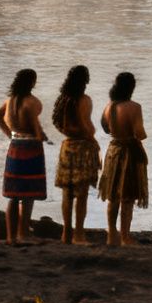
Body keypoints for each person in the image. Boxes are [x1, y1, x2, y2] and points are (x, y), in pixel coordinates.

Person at [0, 68, 47, 246]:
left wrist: (10, 134)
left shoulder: (10, 101)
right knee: (28, 194)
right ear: (32, 82)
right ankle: (24, 235)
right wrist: (42, 137)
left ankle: (10, 236)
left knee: (14, 194)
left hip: (14, 146)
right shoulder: (32, 102)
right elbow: (36, 127)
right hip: (31, 148)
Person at [97, 71, 149, 246]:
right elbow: (139, 133)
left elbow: (105, 128)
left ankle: (111, 234)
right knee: (128, 197)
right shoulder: (134, 107)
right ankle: (125, 236)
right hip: (129, 152)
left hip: (113, 151)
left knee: (113, 195)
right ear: (131, 87)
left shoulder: (108, 107)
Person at [50, 65, 99, 245]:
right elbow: (86, 125)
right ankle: (79, 234)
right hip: (83, 147)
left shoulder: (62, 100)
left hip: (67, 146)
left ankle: (66, 234)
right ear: (85, 80)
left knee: (67, 193)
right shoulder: (84, 100)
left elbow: (57, 123)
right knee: (82, 194)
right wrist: (93, 139)